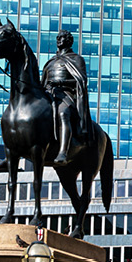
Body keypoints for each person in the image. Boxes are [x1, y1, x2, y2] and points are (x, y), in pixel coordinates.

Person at [41, 30, 92, 166]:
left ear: (69, 41)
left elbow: (81, 80)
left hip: (66, 94)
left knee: (63, 113)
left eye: (62, 37)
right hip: (48, 95)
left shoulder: (76, 59)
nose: (58, 39)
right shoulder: (50, 62)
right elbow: (43, 82)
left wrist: (61, 83)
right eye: (57, 37)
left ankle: (63, 151)